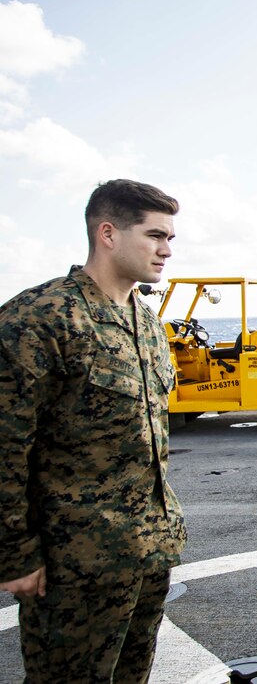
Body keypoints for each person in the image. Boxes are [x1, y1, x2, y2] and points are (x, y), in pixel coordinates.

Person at [0, 179, 187, 682]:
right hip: (73, 567)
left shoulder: (147, 324)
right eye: (155, 235)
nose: (166, 250)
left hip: (146, 553)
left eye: (170, 238)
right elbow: (5, 446)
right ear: (108, 233)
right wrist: (14, 554)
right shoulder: (40, 319)